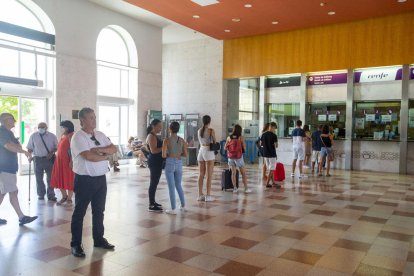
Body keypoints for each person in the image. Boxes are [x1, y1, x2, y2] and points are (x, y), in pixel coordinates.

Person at [70, 107, 117, 257]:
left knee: (99, 210)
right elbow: (88, 156)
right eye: (91, 118)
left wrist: (99, 150)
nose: (94, 120)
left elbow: (114, 148)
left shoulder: (100, 135)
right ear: (82, 120)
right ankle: (76, 244)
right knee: (80, 212)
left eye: (95, 117)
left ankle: (98, 239)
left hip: (100, 179)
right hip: (84, 179)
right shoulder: (78, 137)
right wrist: (105, 156)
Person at [0, 113, 37, 226]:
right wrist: (24, 152)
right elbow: (9, 146)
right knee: (11, 192)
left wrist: (17, 146)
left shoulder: (9, 133)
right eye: (12, 119)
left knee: (5, 192)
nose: (15, 121)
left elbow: (17, 146)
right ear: (6, 120)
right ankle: (21, 217)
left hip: (8, 167)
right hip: (5, 167)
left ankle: (21, 217)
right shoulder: (2, 132)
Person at [27, 122, 58, 201]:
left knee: (50, 178)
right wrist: (29, 156)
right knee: (39, 178)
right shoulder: (33, 136)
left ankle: (51, 194)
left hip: (49, 159)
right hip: (37, 159)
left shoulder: (52, 136)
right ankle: (41, 194)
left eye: (42, 127)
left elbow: (56, 147)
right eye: (39, 127)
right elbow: (30, 148)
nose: (40, 128)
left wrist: (51, 153)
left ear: (46, 128)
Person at [162, 121, 187, 215]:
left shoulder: (166, 140)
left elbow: (164, 155)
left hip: (170, 163)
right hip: (179, 163)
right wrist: (178, 154)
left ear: (170, 129)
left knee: (171, 187)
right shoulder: (182, 140)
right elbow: (185, 154)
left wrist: (170, 153)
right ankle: (183, 205)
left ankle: (173, 208)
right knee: (178, 185)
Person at [51, 120, 75, 206]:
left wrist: (71, 160)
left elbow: (73, 149)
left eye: (63, 127)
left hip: (67, 160)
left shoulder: (71, 135)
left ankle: (69, 198)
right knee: (59, 178)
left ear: (68, 127)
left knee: (68, 179)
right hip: (59, 160)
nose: (62, 128)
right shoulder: (63, 135)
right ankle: (64, 196)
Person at [224, 124, 252, 194]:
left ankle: (235, 188)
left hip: (231, 157)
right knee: (243, 173)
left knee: (233, 173)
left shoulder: (229, 137)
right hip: (238, 157)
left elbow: (225, 148)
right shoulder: (241, 137)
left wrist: (230, 151)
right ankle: (246, 188)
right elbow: (244, 147)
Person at [197, 115, 216, 202]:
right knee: (209, 175)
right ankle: (208, 196)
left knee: (201, 174)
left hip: (201, 151)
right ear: (209, 121)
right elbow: (215, 142)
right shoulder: (211, 130)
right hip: (208, 151)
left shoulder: (199, 130)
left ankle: (200, 195)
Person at [146, 119, 164, 212]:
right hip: (154, 162)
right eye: (159, 126)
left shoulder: (154, 136)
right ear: (154, 126)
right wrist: (164, 147)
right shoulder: (151, 136)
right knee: (153, 182)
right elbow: (154, 150)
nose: (160, 128)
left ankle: (153, 202)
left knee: (155, 182)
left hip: (157, 162)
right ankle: (151, 204)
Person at [260, 122, 278, 188]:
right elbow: (276, 145)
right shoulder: (274, 135)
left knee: (270, 168)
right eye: (274, 128)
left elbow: (261, 144)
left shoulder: (263, 134)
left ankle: (273, 182)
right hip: (272, 154)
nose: (274, 130)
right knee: (272, 169)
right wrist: (273, 145)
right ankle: (267, 183)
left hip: (265, 154)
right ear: (272, 127)